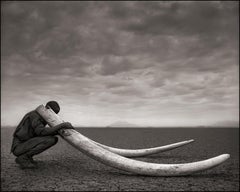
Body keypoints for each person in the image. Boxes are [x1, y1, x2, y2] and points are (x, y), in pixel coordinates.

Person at [10, 101, 73, 169]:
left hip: (23, 145)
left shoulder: (38, 115)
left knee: (52, 139)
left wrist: (59, 132)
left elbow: (39, 132)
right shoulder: (35, 115)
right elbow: (41, 132)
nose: (53, 115)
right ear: (48, 109)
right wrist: (61, 126)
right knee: (51, 140)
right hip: (19, 147)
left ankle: (27, 157)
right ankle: (24, 158)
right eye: (53, 113)